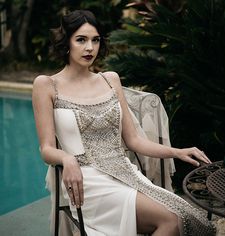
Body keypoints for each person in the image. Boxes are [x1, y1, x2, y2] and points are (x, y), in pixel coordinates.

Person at [32, 10, 215, 236]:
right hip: (87, 182)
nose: (90, 47)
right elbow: (46, 148)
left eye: (95, 40)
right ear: (66, 42)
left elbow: (134, 140)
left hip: (125, 172)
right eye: (81, 39)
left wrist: (176, 152)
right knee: (171, 220)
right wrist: (67, 158)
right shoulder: (47, 85)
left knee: (189, 218)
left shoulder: (110, 80)